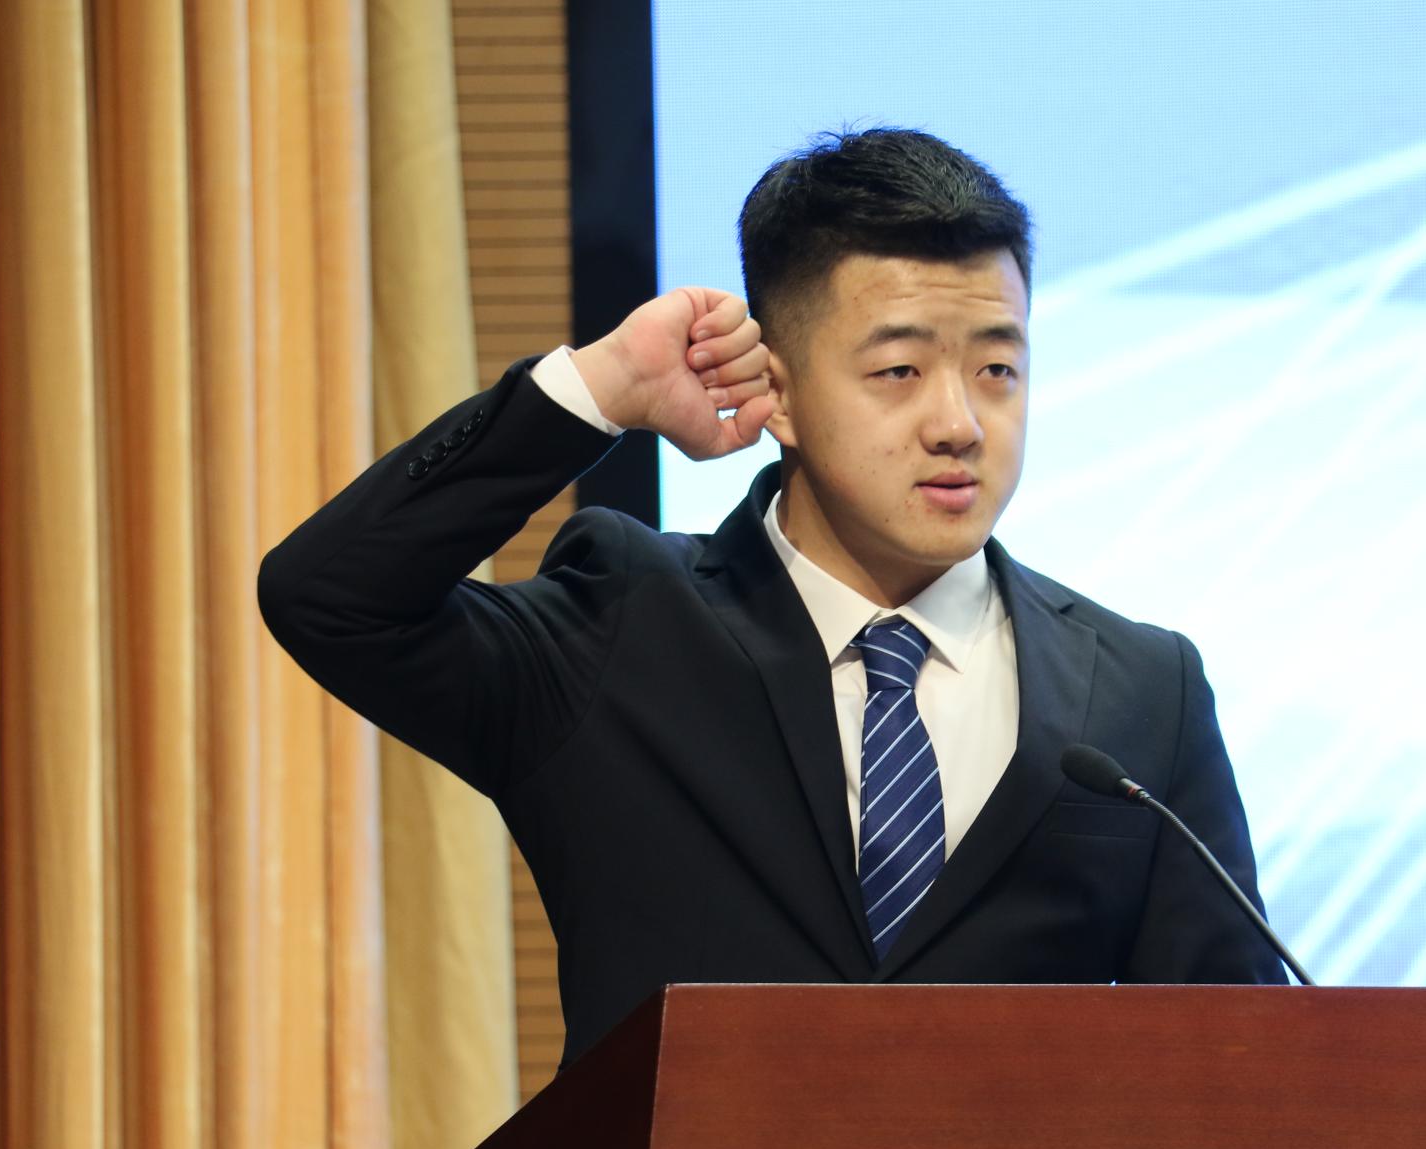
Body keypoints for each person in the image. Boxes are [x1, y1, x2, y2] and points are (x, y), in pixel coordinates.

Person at [259, 128, 1285, 1066]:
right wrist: (597, 391)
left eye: (997, 370)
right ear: (777, 391)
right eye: (898, 370)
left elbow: (1237, 1068)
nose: (960, 423)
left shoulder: (1141, 691)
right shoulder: (623, 628)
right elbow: (332, 596)